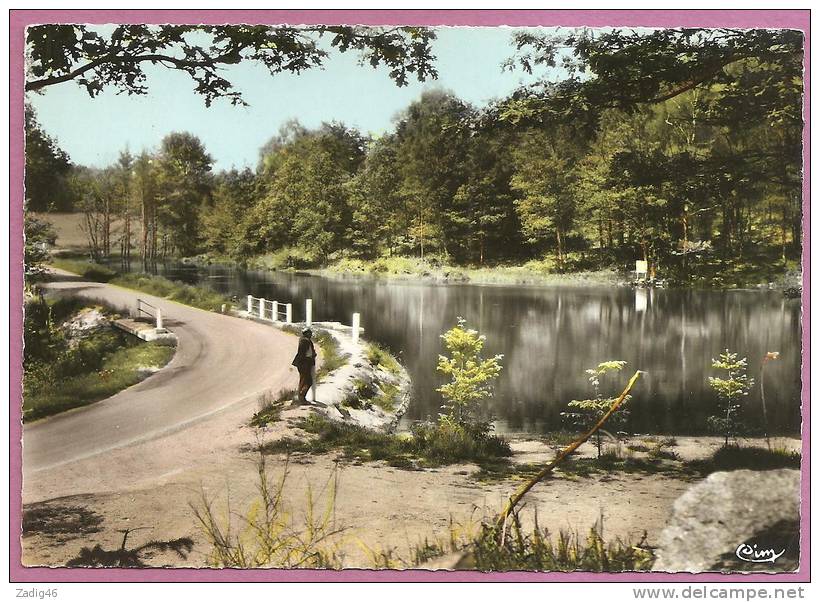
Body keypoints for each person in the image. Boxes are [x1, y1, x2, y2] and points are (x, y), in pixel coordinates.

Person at [291, 327, 316, 404]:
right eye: (309, 333)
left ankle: (300, 397)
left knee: (304, 380)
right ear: (306, 333)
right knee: (307, 381)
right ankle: (301, 397)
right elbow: (303, 353)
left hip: (305, 362)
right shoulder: (304, 341)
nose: (311, 334)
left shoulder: (305, 340)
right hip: (304, 363)